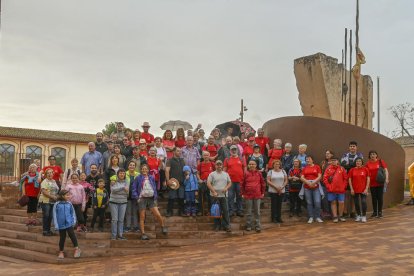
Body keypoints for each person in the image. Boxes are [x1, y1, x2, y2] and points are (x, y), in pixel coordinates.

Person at [132, 164, 168, 240]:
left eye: (146, 169)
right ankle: (143, 234)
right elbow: (134, 189)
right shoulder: (138, 178)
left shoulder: (151, 177)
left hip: (151, 199)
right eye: (143, 169)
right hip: (142, 199)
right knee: (142, 217)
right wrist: (137, 197)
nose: (144, 170)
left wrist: (155, 196)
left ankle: (163, 226)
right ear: (141, 170)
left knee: (157, 214)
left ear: (148, 170)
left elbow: (154, 187)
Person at [53, 190, 81, 259]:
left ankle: (77, 249)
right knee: (62, 238)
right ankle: (61, 252)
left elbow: (73, 213)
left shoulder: (69, 204)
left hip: (69, 224)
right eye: (67, 195)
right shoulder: (57, 204)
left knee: (72, 235)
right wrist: (56, 225)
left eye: (69, 195)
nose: (68, 196)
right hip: (60, 224)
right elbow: (54, 215)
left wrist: (73, 221)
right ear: (62, 196)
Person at [207, 160, 232, 232]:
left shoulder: (226, 174)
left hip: (224, 196)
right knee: (216, 211)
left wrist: (226, 188)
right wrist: (214, 192)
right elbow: (208, 183)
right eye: (217, 165)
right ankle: (217, 226)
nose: (219, 166)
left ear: (222, 166)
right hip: (215, 196)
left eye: (220, 165)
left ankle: (227, 226)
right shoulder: (212, 174)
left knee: (225, 211)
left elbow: (230, 182)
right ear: (215, 166)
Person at [340, 141, 364, 218]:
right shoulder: (345, 155)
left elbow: (357, 164)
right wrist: (352, 166)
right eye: (351, 146)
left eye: (354, 146)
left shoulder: (360, 155)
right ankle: (345, 211)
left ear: (356, 147)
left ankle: (353, 212)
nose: (352, 147)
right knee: (346, 195)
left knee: (354, 195)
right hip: (346, 178)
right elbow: (343, 165)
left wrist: (349, 165)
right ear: (349, 147)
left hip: (356, 178)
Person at [241, 160, 266, 232]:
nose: (252, 165)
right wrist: (242, 193)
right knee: (248, 212)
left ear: (256, 165)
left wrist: (263, 192)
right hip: (248, 195)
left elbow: (263, 183)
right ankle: (248, 226)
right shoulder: (245, 173)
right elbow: (242, 184)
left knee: (257, 212)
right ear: (248, 165)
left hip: (257, 195)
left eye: (253, 164)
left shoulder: (259, 173)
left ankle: (257, 226)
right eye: (250, 164)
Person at [323, 157, 348, 223]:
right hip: (331, 190)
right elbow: (325, 179)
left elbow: (345, 179)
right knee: (333, 202)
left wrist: (344, 186)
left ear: (338, 161)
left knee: (341, 202)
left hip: (341, 190)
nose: (333, 161)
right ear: (330, 162)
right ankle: (335, 216)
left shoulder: (342, 169)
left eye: (335, 160)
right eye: (332, 160)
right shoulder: (328, 169)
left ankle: (341, 216)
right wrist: (329, 187)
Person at [366, 150, 389, 219]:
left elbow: (386, 170)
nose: (372, 155)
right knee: (374, 198)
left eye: (374, 154)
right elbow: (366, 174)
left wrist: (387, 178)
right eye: (371, 154)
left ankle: (380, 212)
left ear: (376, 155)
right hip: (372, 183)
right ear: (369, 156)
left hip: (380, 182)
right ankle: (375, 212)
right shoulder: (367, 164)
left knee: (380, 197)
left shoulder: (380, 161)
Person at [224, 145, 246, 217]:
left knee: (239, 196)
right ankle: (231, 211)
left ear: (237, 150)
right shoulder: (227, 159)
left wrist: (245, 179)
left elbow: (245, 169)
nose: (234, 151)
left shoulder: (241, 159)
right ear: (230, 151)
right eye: (232, 150)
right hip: (230, 182)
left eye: (235, 149)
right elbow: (224, 170)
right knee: (230, 197)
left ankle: (239, 211)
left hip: (240, 181)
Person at [300, 156, 323, 224]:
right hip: (307, 187)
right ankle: (311, 217)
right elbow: (301, 177)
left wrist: (313, 182)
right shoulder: (304, 168)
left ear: (312, 160)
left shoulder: (317, 167)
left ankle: (318, 217)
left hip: (316, 187)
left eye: (309, 159)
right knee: (309, 203)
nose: (307, 160)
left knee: (317, 202)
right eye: (306, 159)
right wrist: (308, 183)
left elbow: (320, 176)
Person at [348, 158, 370, 223]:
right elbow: (349, 179)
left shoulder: (365, 169)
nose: (358, 162)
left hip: (363, 189)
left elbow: (368, 179)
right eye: (357, 161)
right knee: (356, 203)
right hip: (355, 190)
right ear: (355, 162)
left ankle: (363, 216)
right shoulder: (352, 170)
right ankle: (358, 215)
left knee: (363, 202)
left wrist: (366, 188)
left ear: (362, 162)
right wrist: (351, 189)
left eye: (359, 161)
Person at [165, 147, 186, 216]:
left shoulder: (183, 161)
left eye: (180, 151)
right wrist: (168, 180)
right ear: (174, 152)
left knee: (181, 197)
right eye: (178, 151)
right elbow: (167, 170)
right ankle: (169, 212)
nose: (179, 152)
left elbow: (186, 171)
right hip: (173, 182)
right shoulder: (170, 160)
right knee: (171, 197)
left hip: (182, 182)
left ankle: (182, 212)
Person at [39, 168, 59, 236]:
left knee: (50, 216)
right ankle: (45, 230)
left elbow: (56, 190)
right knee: (46, 215)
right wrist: (53, 197)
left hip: (53, 201)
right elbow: (44, 192)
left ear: (53, 174)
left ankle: (48, 230)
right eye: (48, 173)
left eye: (51, 172)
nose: (50, 174)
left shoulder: (54, 181)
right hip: (45, 201)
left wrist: (56, 197)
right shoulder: (44, 181)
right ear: (46, 175)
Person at [109, 169, 129, 240]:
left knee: (121, 220)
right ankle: (114, 236)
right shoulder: (113, 181)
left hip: (123, 202)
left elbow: (127, 193)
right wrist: (123, 188)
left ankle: (120, 235)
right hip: (113, 202)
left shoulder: (127, 181)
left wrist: (119, 190)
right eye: (120, 173)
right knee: (114, 220)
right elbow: (113, 190)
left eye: (123, 173)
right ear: (118, 174)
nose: (122, 174)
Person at [196, 151, 215, 216]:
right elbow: (198, 173)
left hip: (210, 183)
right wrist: (199, 179)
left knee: (210, 198)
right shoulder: (200, 164)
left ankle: (209, 211)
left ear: (209, 156)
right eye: (205, 155)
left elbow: (215, 173)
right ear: (202, 156)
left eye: (207, 155)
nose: (206, 156)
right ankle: (200, 211)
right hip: (203, 183)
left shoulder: (212, 164)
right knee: (201, 198)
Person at [124, 161, 140, 233]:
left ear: (135, 167)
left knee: (135, 212)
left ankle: (136, 226)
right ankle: (128, 226)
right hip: (127, 196)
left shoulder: (138, 175)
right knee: (128, 212)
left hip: (136, 196)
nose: (132, 166)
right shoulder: (125, 174)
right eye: (130, 165)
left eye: (133, 165)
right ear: (128, 166)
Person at [320, 150, 334, 219]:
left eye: (328, 153)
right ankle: (326, 212)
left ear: (332, 155)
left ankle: (332, 213)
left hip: (332, 184)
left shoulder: (334, 162)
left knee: (332, 198)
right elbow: (321, 172)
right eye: (326, 153)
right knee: (324, 198)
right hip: (323, 183)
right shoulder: (323, 162)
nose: (327, 155)